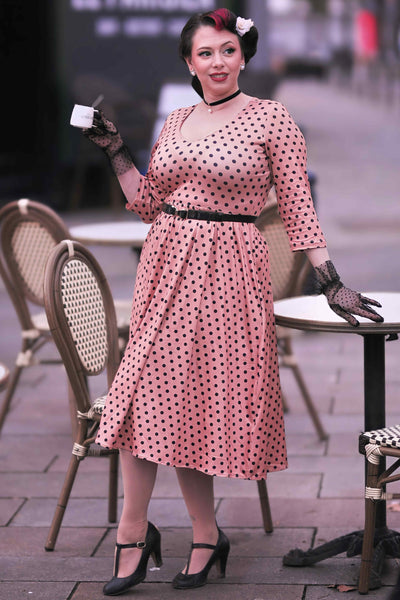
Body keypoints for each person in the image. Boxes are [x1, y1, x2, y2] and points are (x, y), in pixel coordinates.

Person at [82, 8, 384, 595]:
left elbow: (298, 208)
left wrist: (330, 281)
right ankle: (135, 531)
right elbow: (147, 204)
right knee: (143, 396)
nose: (218, 62)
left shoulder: (271, 117)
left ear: (243, 56)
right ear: (189, 63)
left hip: (228, 273)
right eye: (205, 53)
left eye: (227, 50)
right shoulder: (176, 119)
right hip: (164, 267)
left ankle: (202, 534)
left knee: (189, 402)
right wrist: (116, 149)